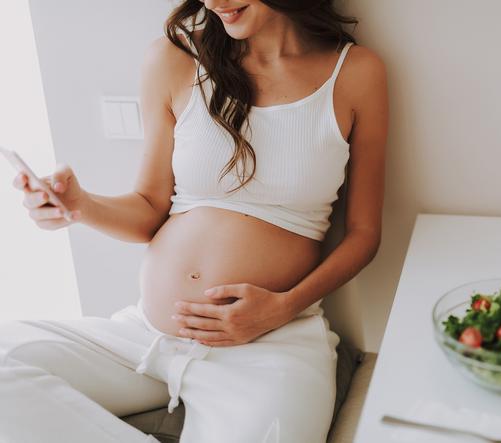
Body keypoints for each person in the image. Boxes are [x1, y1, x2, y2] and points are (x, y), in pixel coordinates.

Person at [0, 0, 387, 442]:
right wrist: (80, 205)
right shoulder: (174, 59)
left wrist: (282, 307)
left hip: (267, 343)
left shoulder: (355, 73)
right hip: (144, 337)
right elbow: (149, 207)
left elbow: (364, 234)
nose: (214, 2)